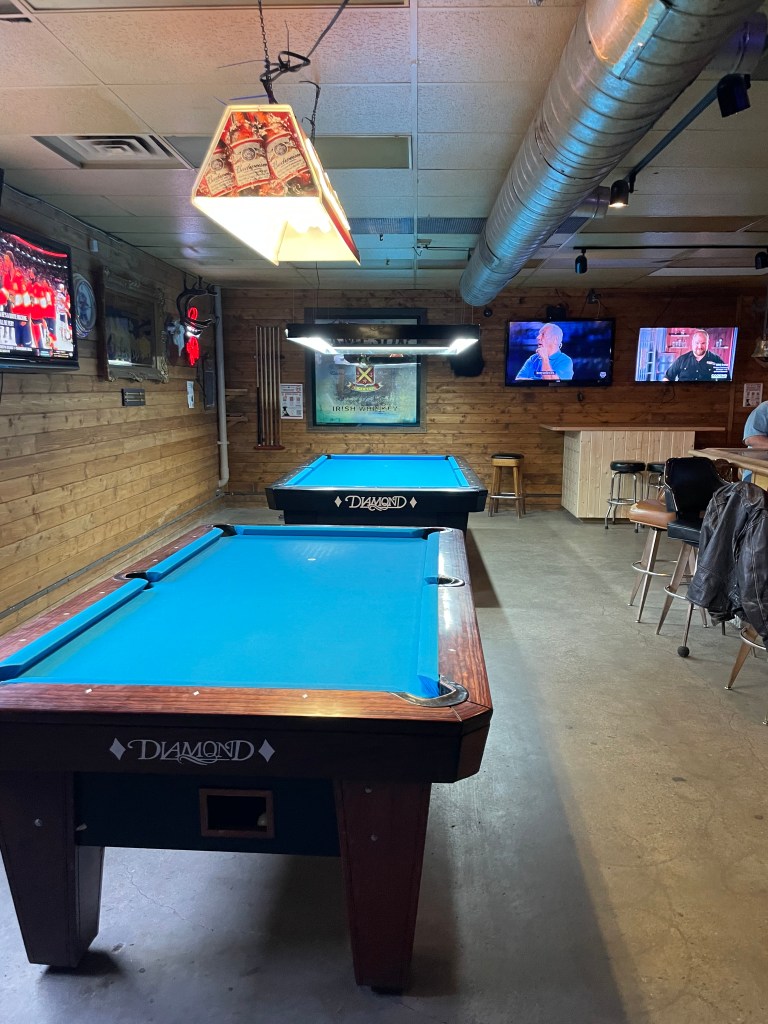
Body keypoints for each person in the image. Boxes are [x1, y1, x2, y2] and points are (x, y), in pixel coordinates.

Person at [663, 329, 730, 382]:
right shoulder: (682, 359)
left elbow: (726, 381)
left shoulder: (717, 360)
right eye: (697, 343)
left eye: (703, 343)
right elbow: (667, 378)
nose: (700, 346)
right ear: (692, 343)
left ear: (708, 343)